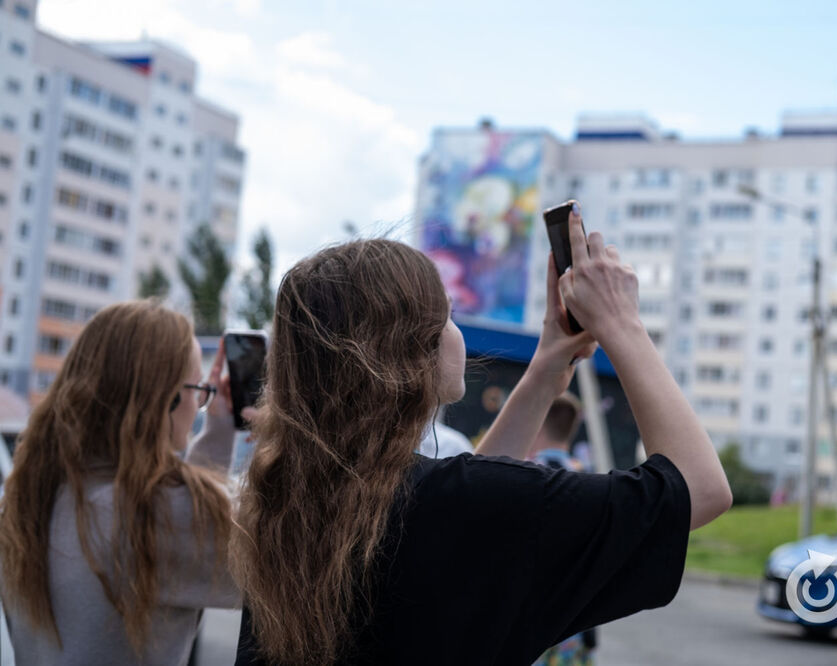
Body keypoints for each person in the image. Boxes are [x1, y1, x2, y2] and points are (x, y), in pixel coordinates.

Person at [231, 207, 732, 665]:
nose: (456, 330)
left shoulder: (286, 502)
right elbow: (699, 488)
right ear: (411, 351)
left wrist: (545, 368)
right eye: (446, 315)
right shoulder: (465, 505)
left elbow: (461, 520)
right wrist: (622, 324)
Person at [0, 301, 241, 665]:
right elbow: (290, 568)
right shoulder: (151, 516)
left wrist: (219, 429)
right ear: (164, 400)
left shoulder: (31, 497)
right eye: (195, 389)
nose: (197, 405)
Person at [529, 392, 597, 666]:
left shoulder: (520, 474)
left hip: (526, 615)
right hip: (571, 623)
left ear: (539, 422)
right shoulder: (591, 481)